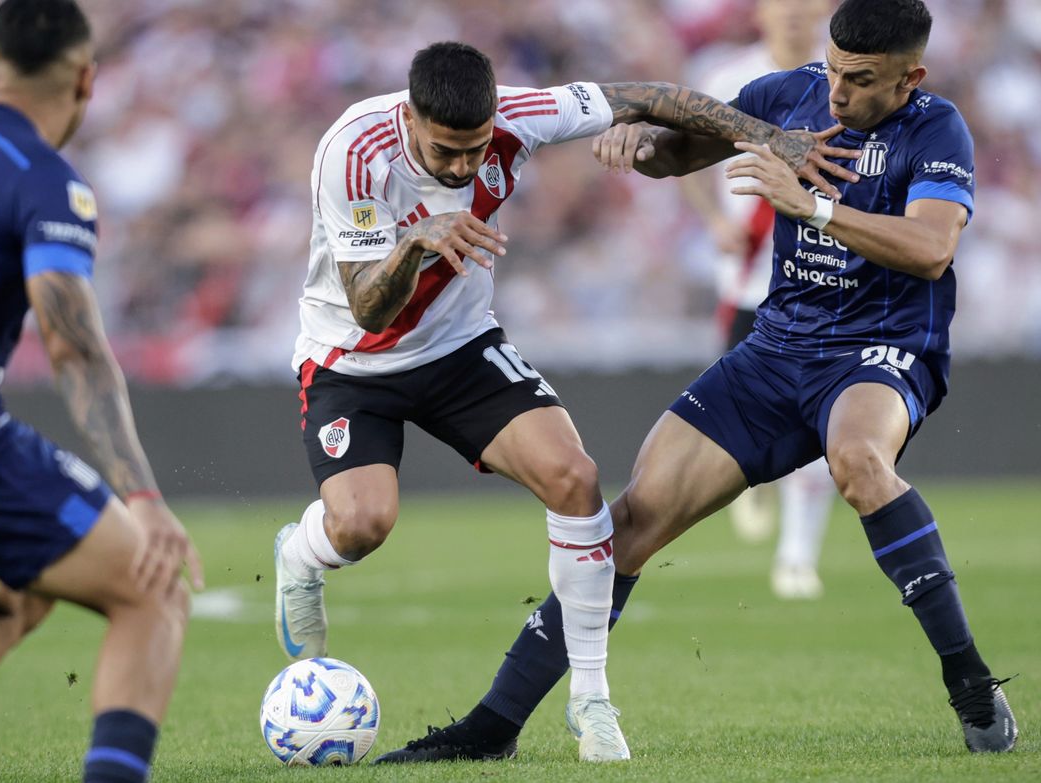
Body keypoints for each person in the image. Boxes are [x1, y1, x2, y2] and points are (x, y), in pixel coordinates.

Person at [379, 0, 1017, 762]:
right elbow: (679, 153)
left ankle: (971, 681)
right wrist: (637, 146)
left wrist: (811, 205)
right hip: (776, 351)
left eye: (862, 80)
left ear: (911, 76)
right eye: (836, 69)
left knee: (858, 461)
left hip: (881, 348)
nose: (839, 92)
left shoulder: (937, 128)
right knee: (630, 523)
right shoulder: (789, 94)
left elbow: (931, 249)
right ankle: (493, 725)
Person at [275, 41, 857, 763]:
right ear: (410, 116)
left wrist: (771, 137)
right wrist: (415, 242)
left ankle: (591, 700)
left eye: (474, 148)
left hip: (459, 348)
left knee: (576, 479)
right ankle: (301, 552)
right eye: (444, 151)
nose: (461, 167)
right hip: (351, 362)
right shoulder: (354, 152)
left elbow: (650, 95)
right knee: (362, 523)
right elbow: (369, 309)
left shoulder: (524, 115)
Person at [0, 2, 204, 783]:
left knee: (12, 594)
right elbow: (73, 345)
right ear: (88, 80)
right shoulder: (46, 182)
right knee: (150, 587)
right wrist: (142, 493)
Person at [681, 0, 838, 599]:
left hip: (820, 276)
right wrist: (713, 221)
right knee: (745, 416)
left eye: (806, 4)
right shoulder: (730, 78)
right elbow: (687, 153)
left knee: (822, 416)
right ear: (762, 13)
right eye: (783, 3)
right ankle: (757, 483)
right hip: (749, 279)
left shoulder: (841, 84)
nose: (795, 13)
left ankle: (797, 558)